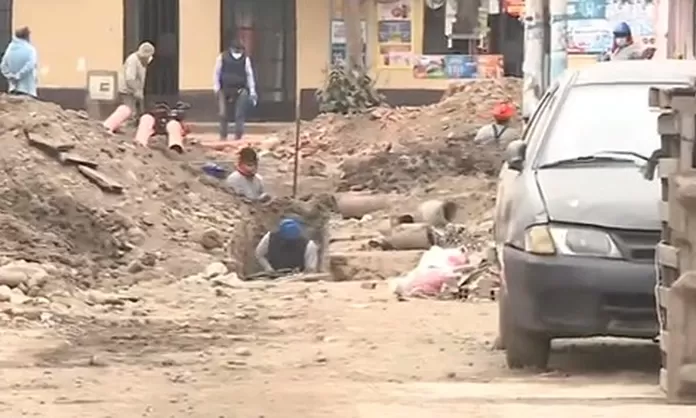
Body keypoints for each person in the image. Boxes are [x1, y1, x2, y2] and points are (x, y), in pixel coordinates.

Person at [103, 42, 156, 133]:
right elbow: (130, 79)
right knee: (128, 110)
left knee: (138, 111)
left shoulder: (147, 59)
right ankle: (119, 128)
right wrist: (137, 90)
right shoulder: (132, 60)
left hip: (137, 88)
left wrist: (140, 90)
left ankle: (134, 128)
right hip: (126, 90)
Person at [213, 38, 258, 141]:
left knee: (239, 114)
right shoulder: (222, 57)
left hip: (240, 89)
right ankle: (223, 136)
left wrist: (252, 91)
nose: (239, 53)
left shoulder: (245, 59)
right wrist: (216, 87)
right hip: (224, 89)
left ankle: (238, 136)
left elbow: (249, 75)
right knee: (223, 114)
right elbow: (217, 72)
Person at [255, 218, 320, 274]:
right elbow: (259, 254)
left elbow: (311, 268)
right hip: (274, 275)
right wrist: (268, 268)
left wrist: (302, 274)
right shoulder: (269, 238)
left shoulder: (309, 245)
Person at [0, 26, 38, 97]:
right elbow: (30, 65)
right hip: (27, 88)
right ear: (27, 36)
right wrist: (18, 75)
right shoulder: (30, 50)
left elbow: (3, 66)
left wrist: (10, 76)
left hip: (13, 88)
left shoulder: (10, 49)